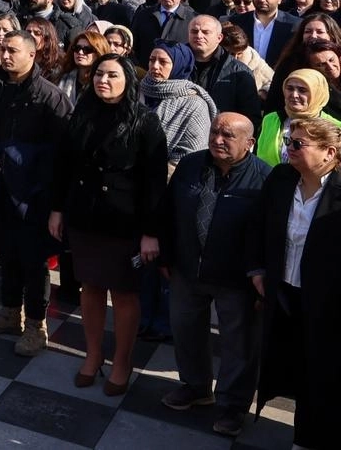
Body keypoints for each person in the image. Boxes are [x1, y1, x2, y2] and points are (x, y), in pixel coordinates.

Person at [49, 53, 168, 393]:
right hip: (85, 217)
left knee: (124, 293)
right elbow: (63, 165)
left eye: (112, 75)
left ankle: (122, 361)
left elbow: (155, 182)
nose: (103, 80)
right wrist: (57, 209)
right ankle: (93, 355)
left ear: (128, 80)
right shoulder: (82, 112)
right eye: (99, 74)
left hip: (124, 221)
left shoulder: (145, 121)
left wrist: (151, 233)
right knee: (90, 287)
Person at [159, 112, 268, 437]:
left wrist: (260, 275)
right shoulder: (191, 165)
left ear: (249, 143)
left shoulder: (264, 178)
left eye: (228, 135)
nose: (218, 140)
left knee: (239, 344)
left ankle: (233, 406)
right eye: (215, 132)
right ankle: (195, 387)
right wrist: (166, 254)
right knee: (186, 328)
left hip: (236, 278)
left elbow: (269, 233)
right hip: (188, 268)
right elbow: (168, 210)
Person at [0, 29, 70, 356]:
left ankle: (36, 325)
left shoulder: (49, 96)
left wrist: (55, 203)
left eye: (12, 50)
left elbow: (63, 153)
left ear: (32, 53)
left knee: (33, 259)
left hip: (34, 193)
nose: (5, 55)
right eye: (2, 49)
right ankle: (10, 312)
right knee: (6, 252)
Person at [249, 115, 341, 449]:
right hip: (286, 295)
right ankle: (303, 436)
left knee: (323, 374)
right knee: (295, 368)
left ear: (329, 153)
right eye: (288, 141)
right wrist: (257, 270)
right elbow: (258, 225)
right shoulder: (281, 179)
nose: (288, 148)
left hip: (327, 305)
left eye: (298, 144)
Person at [256, 68, 335, 166]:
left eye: (302, 90)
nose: (294, 95)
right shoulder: (271, 119)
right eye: (290, 88)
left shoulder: (334, 128)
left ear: (317, 93)